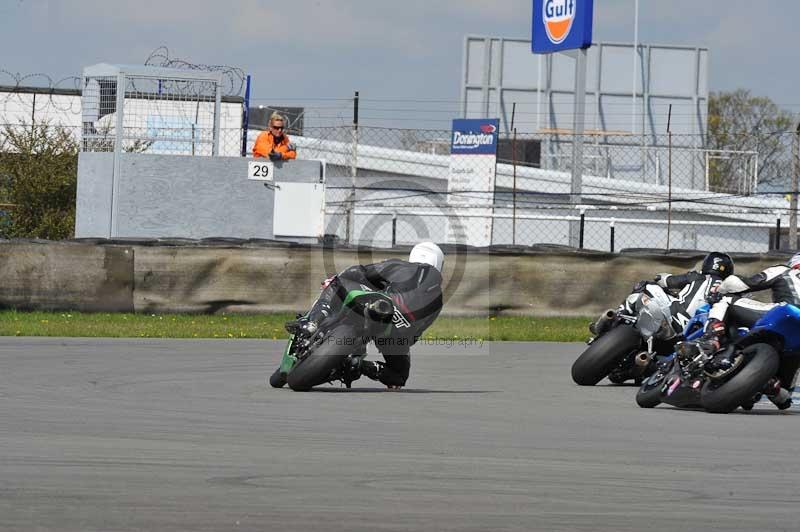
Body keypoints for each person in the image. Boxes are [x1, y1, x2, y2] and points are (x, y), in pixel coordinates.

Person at [285, 242, 445, 389]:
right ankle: (358, 365)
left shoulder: (403, 266)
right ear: (439, 264)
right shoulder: (438, 301)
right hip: (397, 332)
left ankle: (312, 321)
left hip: (383, 303)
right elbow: (415, 335)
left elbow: (361, 272)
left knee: (338, 282)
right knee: (399, 377)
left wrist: (341, 279)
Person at [685, 252, 800, 409]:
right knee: (785, 398)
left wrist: (722, 288)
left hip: (785, 312)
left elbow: (743, 284)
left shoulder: (785, 270)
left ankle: (712, 336)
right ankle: (773, 387)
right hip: (794, 343)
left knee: (726, 299)